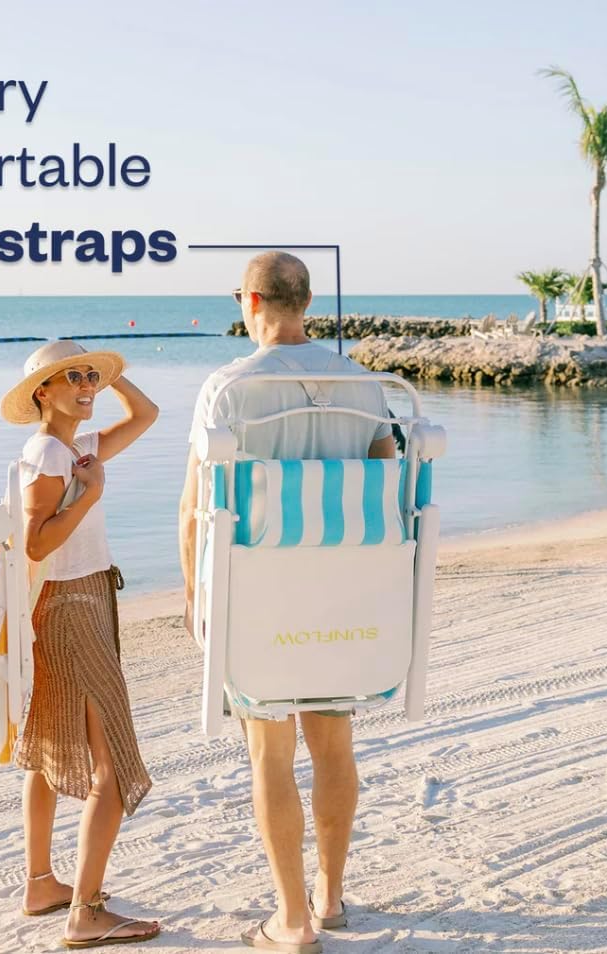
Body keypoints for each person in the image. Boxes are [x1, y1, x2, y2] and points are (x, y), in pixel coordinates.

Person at [178, 252, 396, 953]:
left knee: (269, 756)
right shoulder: (362, 384)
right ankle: (331, 898)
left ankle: (293, 921)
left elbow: (194, 509)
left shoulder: (228, 389)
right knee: (333, 745)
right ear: (306, 302)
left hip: (258, 596)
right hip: (342, 593)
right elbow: (384, 485)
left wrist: (193, 596)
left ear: (250, 300)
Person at [0, 339, 161, 949]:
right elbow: (36, 543)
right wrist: (90, 494)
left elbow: (145, 416)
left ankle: (42, 884)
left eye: (89, 376)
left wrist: (109, 375)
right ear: (42, 392)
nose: (85, 386)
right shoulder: (48, 452)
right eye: (71, 378)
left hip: (79, 601)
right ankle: (86, 912)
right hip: (70, 607)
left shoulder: (77, 447)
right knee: (112, 765)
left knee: (49, 745)